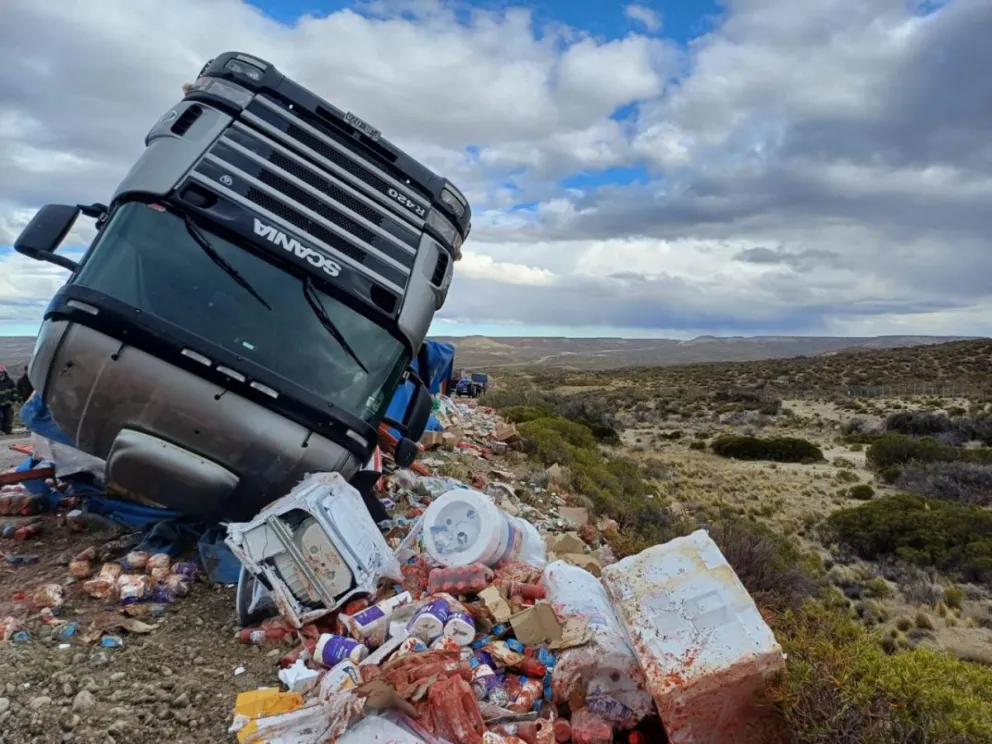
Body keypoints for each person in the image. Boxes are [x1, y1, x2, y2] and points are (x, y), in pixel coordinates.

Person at [0, 365, 16, 435]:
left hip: (8, 403)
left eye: (1, 372)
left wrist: (15, 399)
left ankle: (8, 430)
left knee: (8, 416)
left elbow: (14, 391)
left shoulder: (10, 381)